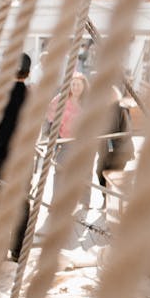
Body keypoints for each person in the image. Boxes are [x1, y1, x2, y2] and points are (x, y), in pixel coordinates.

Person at [0, 53, 32, 261]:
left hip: (0, 159)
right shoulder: (33, 97)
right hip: (24, 160)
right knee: (21, 203)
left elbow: (0, 132)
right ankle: (18, 250)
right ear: (28, 73)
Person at [46, 72, 91, 211]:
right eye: (73, 84)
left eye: (79, 84)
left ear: (84, 86)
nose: (76, 87)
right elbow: (50, 116)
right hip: (64, 141)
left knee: (85, 171)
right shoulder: (60, 99)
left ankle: (84, 201)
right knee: (59, 171)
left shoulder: (89, 101)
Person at [96, 85, 134, 202]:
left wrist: (111, 143)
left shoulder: (121, 110)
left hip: (119, 151)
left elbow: (126, 132)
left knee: (114, 176)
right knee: (99, 172)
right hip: (105, 151)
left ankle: (112, 202)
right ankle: (106, 199)